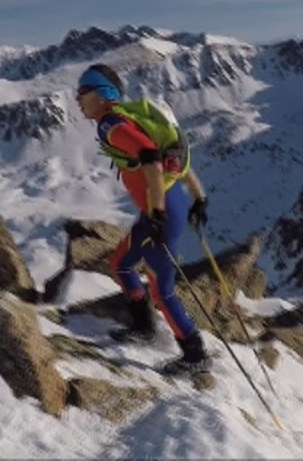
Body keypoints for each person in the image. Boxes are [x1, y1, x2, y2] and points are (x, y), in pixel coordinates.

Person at [75, 63, 212, 375]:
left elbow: (149, 154)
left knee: (162, 290)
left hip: (160, 213)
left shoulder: (109, 124)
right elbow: (175, 159)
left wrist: (158, 214)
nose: (77, 99)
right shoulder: (130, 119)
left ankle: (195, 354)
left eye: (83, 92)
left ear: (101, 94)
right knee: (121, 262)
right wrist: (199, 198)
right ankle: (145, 327)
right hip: (164, 206)